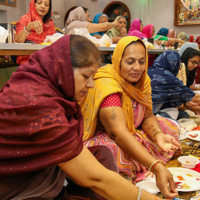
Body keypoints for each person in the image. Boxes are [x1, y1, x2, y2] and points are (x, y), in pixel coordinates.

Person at [0, 35, 166, 200]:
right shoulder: (39, 105)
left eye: (141, 62)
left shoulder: (46, 84)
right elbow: (95, 177)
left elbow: (148, 116)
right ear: (62, 69)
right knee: (100, 171)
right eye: (86, 76)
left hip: (44, 168)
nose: (91, 84)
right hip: (17, 186)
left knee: (102, 155)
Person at [80, 36, 181, 199]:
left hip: (130, 132)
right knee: (112, 151)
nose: (137, 68)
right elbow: (118, 134)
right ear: (118, 60)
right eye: (130, 62)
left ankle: (140, 164)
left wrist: (158, 135)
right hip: (110, 137)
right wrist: (155, 165)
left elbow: (148, 116)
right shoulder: (107, 84)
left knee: (169, 126)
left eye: (142, 62)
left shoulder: (143, 81)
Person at [148, 51, 200, 120]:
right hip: (148, 114)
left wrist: (190, 106)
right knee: (177, 113)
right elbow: (194, 98)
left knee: (183, 114)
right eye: (193, 62)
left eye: (197, 63)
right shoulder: (168, 78)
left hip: (140, 111)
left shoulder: (150, 71)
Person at [15, 0, 55, 64]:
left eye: (46, 5)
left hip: (46, 56)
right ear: (33, 4)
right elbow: (18, 41)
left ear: (49, 8)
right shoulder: (25, 19)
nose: (43, 6)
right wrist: (28, 28)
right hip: (27, 57)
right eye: (39, 3)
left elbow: (53, 44)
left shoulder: (50, 23)